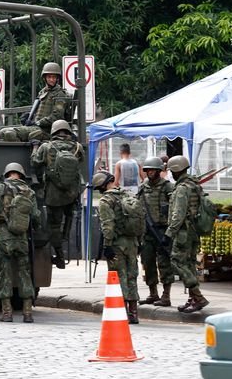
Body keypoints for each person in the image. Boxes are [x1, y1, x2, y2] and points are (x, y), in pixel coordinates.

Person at [0, 162, 41, 322]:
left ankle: (7, 313)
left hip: (4, 237)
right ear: (21, 175)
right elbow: (35, 217)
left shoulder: (1, 188)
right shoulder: (29, 192)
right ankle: (28, 313)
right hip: (22, 238)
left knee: (4, 274)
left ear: (7, 174)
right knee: (25, 273)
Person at [30, 119, 84, 269]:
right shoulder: (77, 147)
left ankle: (59, 256)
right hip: (71, 193)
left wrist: (35, 146)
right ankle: (65, 238)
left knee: (54, 225)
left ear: (53, 131)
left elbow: (35, 162)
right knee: (68, 218)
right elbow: (81, 163)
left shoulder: (46, 147)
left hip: (54, 194)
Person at [92, 171, 141, 324]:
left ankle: (123, 312)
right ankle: (134, 313)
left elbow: (108, 226)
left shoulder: (106, 201)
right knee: (132, 276)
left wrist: (107, 246)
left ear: (102, 186)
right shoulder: (128, 196)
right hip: (132, 242)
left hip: (117, 244)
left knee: (119, 277)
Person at [164, 155, 209, 313]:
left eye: (172, 171)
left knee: (178, 262)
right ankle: (192, 299)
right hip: (193, 231)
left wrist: (169, 233)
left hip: (184, 232)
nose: (171, 174)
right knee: (189, 264)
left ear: (176, 170)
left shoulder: (182, 188)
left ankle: (198, 297)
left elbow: (179, 214)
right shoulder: (193, 185)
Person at [0, 62, 71, 142]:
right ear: (45, 78)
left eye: (54, 77)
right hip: (36, 127)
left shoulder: (60, 94)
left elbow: (57, 117)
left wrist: (37, 123)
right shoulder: (43, 92)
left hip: (48, 130)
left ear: (57, 79)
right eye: (49, 77)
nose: (52, 80)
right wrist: (27, 117)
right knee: (1, 132)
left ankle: (23, 152)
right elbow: (38, 112)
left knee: (9, 133)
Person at [137, 156, 175, 307]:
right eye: (148, 170)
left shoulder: (167, 187)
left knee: (164, 264)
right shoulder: (143, 187)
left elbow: (175, 208)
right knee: (147, 263)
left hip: (163, 231)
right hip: (147, 233)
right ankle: (153, 293)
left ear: (159, 170)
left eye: (153, 170)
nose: (150, 172)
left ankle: (166, 295)